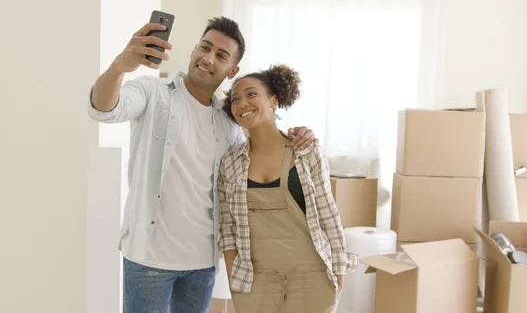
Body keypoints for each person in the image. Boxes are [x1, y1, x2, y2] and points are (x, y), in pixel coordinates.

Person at [87, 17, 317, 313]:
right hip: (148, 262)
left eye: (221, 55)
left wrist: (299, 135)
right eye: (205, 48)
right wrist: (120, 66)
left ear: (232, 70)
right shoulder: (153, 93)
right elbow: (103, 110)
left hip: (203, 265)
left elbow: (263, 148)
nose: (208, 58)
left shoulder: (229, 124)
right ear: (194, 49)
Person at [218, 64, 357, 313]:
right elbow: (227, 228)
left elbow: (328, 214)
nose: (242, 104)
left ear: (273, 100)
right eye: (235, 99)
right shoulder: (229, 162)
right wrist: (233, 277)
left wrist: (338, 275)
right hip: (254, 281)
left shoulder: (306, 150)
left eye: (251, 94)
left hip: (311, 276)